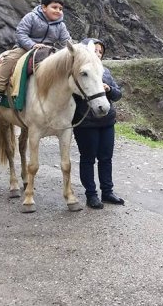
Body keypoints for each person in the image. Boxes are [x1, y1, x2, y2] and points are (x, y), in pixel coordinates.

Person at [0, 0, 72, 108]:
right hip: (25, 48)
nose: (58, 11)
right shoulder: (31, 17)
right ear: (43, 7)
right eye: (54, 7)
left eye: (60, 9)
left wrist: (71, 52)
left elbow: (66, 41)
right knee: (10, 59)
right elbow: (21, 33)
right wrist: (32, 45)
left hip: (48, 50)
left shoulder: (61, 25)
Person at [73, 38, 124, 209]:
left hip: (107, 121)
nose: (98, 54)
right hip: (86, 123)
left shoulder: (105, 71)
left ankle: (107, 192)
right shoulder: (77, 73)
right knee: (88, 159)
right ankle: (91, 194)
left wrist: (109, 89)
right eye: (94, 50)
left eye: (100, 52)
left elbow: (118, 95)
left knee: (106, 158)